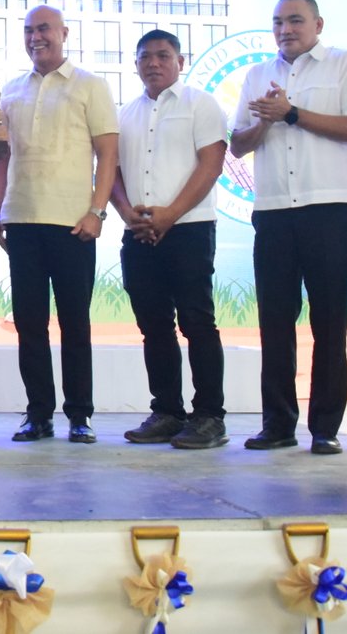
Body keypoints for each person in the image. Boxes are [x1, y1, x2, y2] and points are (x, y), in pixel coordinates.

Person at [230, 0, 347, 455]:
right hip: (273, 210)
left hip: (326, 207)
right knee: (274, 322)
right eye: (278, 22)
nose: (285, 29)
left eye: (295, 20)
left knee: (329, 321)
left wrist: (291, 113)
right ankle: (277, 425)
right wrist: (266, 122)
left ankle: (325, 428)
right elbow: (237, 144)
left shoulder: (344, 64)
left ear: (318, 24)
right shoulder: (257, 74)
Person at [0, 5, 119, 444]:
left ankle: (80, 416)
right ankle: (38, 414)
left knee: (75, 324)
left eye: (44, 29)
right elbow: (2, 156)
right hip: (21, 221)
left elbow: (108, 154)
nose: (36, 37)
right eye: (29, 30)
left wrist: (97, 212)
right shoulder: (11, 90)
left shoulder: (90, 85)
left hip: (73, 224)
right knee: (29, 325)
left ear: (64, 33)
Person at [110, 29, 229, 450]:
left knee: (198, 322)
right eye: (146, 57)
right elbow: (112, 171)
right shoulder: (124, 114)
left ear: (180, 60)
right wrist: (127, 214)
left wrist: (170, 215)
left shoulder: (201, 104)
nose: (154, 63)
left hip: (189, 229)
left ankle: (210, 416)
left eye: (163, 55)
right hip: (139, 232)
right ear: (136, 64)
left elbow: (211, 165)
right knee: (154, 326)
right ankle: (166, 412)